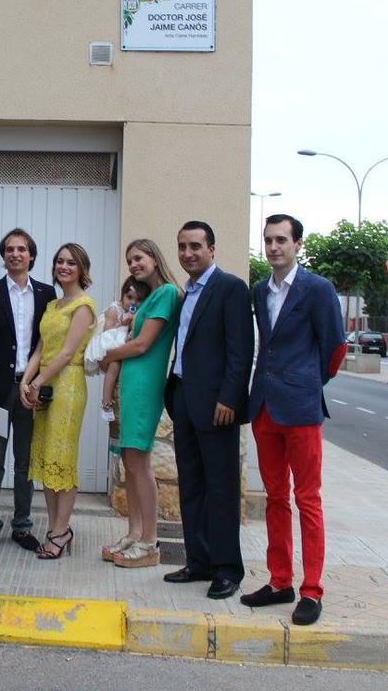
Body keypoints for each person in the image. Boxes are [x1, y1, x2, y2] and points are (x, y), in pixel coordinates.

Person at [243, 214, 346, 626]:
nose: (273, 247)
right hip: (265, 407)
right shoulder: (258, 291)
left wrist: (306, 380)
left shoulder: (317, 289)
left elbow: (335, 349)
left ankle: (312, 590)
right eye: (268, 240)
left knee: (308, 500)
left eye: (281, 240)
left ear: (298, 244)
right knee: (274, 498)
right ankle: (280, 580)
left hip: (301, 409)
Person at [162, 221, 253, 599]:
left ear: (212, 249)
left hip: (218, 408)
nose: (188, 253)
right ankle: (198, 561)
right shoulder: (187, 293)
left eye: (196, 246)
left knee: (221, 490)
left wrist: (230, 399)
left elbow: (240, 350)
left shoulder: (230, 288)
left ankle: (227, 569)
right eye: (182, 246)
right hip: (184, 400)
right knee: (193, 486)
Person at [98, 238, 182, 568]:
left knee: (139, 463)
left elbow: (142, 345)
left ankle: (149, 541)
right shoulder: (148, 296)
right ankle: (133, 532)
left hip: (144, 387)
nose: (134, 264)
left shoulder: (165, 294)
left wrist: (105, 355)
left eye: (140, 257)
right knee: (129, 463)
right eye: (130, 260)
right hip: (129, 386)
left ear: (155, 257)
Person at [0, 228, 56, 553]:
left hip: (30, 390)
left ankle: (22, 526)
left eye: (21, 249)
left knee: (25, 462)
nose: (15, 254)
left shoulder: (47, 294)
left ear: (31, 256)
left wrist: (40, 384)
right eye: (9, 249)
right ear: (3, 255)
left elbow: (50, 343)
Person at [21, 243, 97, 559]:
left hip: (67, 387)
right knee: (46, 460)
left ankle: (61, 529)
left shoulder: (83, 305)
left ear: (82, 268)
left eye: (71, 262)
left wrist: (38, 382)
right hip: (45, 385)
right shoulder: (53, 305)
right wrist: (25, 381)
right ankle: (55, 529)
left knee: (61, 459)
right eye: (59, 262)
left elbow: (66, 353)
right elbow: (40, 349)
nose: (63, 267)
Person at [84, 276, 151, 420]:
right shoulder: (115, 309)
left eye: (138, 300)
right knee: (114, 365)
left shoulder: (136, 314)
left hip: (120, 342)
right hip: (108, 342)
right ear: (122, 296)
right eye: (129, 297)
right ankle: (106, 399)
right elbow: (108, 331)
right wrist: (123, 322)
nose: (133, 302)